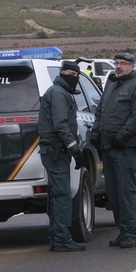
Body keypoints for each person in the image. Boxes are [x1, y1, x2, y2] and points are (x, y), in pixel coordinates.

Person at [94, 53, 136, 248]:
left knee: (127, 191)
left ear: (132, 66)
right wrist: (96, 133)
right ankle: (122, 230)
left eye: (123, 64)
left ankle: (130, 232)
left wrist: (122, 137)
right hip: (108, 147)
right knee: (114, 193)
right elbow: (100, 111)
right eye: (117, 63)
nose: (119, 67)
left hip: (126, 148)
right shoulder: (110, 86)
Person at [38, 60, 89, 253]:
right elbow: (60, 124)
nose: (74, 78)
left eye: (77, 75)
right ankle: (62, 238)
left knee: (57, 194)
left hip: (55, 150)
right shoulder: (59, 93)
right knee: (62, 195)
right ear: (63, 73)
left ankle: (56, 236)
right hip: (56, 150)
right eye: (71, 74)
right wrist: (75, 148)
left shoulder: (58, 91)